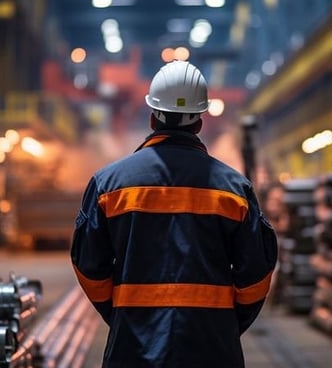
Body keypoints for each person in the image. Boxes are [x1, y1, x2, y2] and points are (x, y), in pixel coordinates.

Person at [70, 60, 277, 368]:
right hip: (214, 351)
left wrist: (120, 316)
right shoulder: (234, 189)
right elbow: (256, 276)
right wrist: (226, 325)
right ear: (199, 122)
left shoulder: (108, 185)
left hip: (133, 350)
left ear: (153, 117)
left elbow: (89, 267)